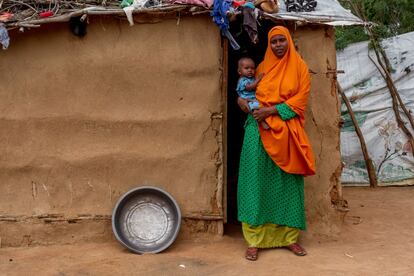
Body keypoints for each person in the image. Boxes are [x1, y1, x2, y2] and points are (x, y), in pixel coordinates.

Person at [237, 25, 316, 261]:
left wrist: (270, 110)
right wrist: (241, 102)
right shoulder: (261, 68)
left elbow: (299, 102)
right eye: (274, 41)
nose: (278, 45)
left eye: (282, 40)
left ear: (289, 42)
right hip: (258, 132)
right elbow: (245, 94)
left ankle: (289, 238)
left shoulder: (300, 68)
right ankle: (254, 240)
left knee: (288, 184)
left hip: (287, 134)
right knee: (255, 183)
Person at [236, 57, 269, 129]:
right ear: (239, 71)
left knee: (258, 107)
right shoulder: (243, 80)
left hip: (253, 98)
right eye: (246, 68)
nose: (250, 70)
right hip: (247, 99)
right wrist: (258, 79)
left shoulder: (251, 78)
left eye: (252, 68)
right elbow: (250, 87)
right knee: (255, 109)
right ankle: (261, 122)